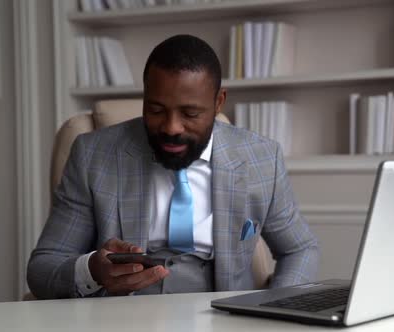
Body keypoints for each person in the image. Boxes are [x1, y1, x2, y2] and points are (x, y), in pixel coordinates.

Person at [27, 35, 320, 299]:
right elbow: (42, 268)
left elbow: (299, 249)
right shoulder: (93, 155)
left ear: (219, 102)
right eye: (155, 110)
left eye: (190, 113)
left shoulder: (262, 158)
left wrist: (274, 307)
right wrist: (92, 270)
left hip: (226, 319)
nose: (171, 127)